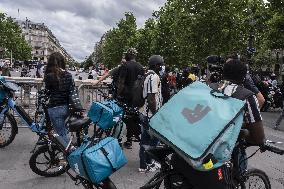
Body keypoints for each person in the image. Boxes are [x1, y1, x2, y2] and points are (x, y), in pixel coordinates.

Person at [171, 58, 265, 189]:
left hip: (189, 150)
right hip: (213, 159)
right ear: (244, 77)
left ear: (223, 73)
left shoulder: (208, 88)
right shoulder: (247, 96)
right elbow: (259, 137)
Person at [139, 55, 163, 172]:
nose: (162, 67)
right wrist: (156, 114)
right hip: (150, 115)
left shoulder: (147, 75)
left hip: (145, 113)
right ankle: (146, 164)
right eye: (161, 65)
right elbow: (151, 98)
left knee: (146, 140)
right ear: (156, 65)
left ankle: (145, 164)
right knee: (152, 141)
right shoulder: (154, 77)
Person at [117, 48, 144, 149]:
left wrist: (118, 95)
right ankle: (129, 140)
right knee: (132, 119)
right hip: (136, 97)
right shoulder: (141, 67)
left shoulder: (125, 65)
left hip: (125, 97)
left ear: (128, 55)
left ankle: (118, 139)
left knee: (120, 118)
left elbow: (121, 82)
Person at [44, 52, 73, 143]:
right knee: (62, 131)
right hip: (66, 108)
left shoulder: (49, 76)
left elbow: (48, 90)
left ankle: (69, 154)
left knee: (61, 135)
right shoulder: (69, 75)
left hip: (55, 108)